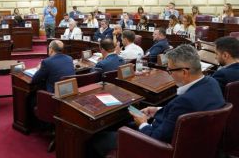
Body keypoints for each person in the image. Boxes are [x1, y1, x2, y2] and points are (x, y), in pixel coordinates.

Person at [89, 44, 225, 158]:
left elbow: (156, 138)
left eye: (170, 70)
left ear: (184, 72)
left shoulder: (185, 101)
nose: (169, 74)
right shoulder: (211, 82)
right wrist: (157, 110)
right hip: (196, 145)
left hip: (158, 147)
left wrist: (142, 124)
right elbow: (183, 114)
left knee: (99, 139)